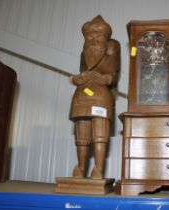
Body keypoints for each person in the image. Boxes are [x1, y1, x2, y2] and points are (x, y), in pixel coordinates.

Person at [69, 15, 120, 179]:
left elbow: (114, 75)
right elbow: (82, 72)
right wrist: (78, 78)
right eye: (90, 36)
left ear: (106, 38)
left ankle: (98, 169)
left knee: (100, 134)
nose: (93, 40)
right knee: (82, 135)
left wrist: (107, 79)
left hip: (101, 97)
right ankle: (81, 167)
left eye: (98, 37)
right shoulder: (84, 52)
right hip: (82, 96)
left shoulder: (113, 48)